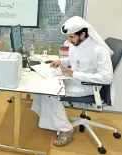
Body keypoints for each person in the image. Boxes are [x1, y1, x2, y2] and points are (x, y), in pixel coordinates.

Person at [31, 16, 113, 146]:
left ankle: (66, 129)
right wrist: (61, 61)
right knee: (42, 85)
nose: (69, 41)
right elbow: (72, 60)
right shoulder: (76, 44)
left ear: (83, 34)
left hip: (87, 86)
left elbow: (107, 78)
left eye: (72, 37)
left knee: (51, 93)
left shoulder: (99, 50)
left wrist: (75, 74)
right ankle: (50, 119)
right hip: (74, 79)